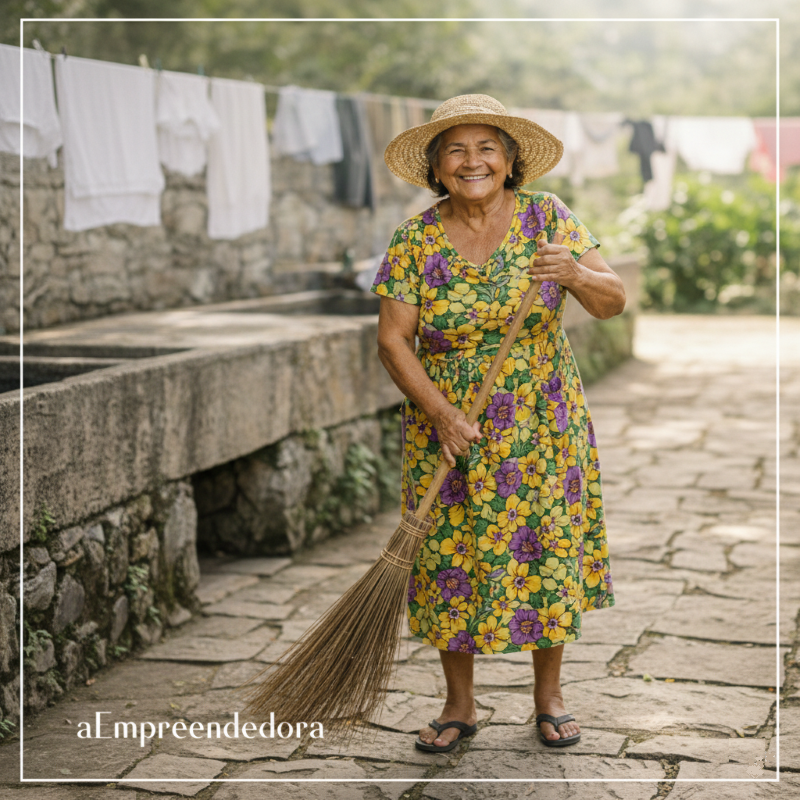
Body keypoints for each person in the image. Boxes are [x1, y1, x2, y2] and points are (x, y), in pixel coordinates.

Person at [370, 94, 625, 753]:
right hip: (450, 425)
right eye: (455, 149)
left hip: (543, 418)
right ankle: (459, 704)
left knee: (547, 547)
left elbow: (612, 299)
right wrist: (442, 413)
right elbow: (395, 340)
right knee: (449, 553)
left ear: (511, 161)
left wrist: (573, 272)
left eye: (487, 148)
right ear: (436, 166)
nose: (472, 160)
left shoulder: (548, 218)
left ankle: (550, 698)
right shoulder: (416, 239)